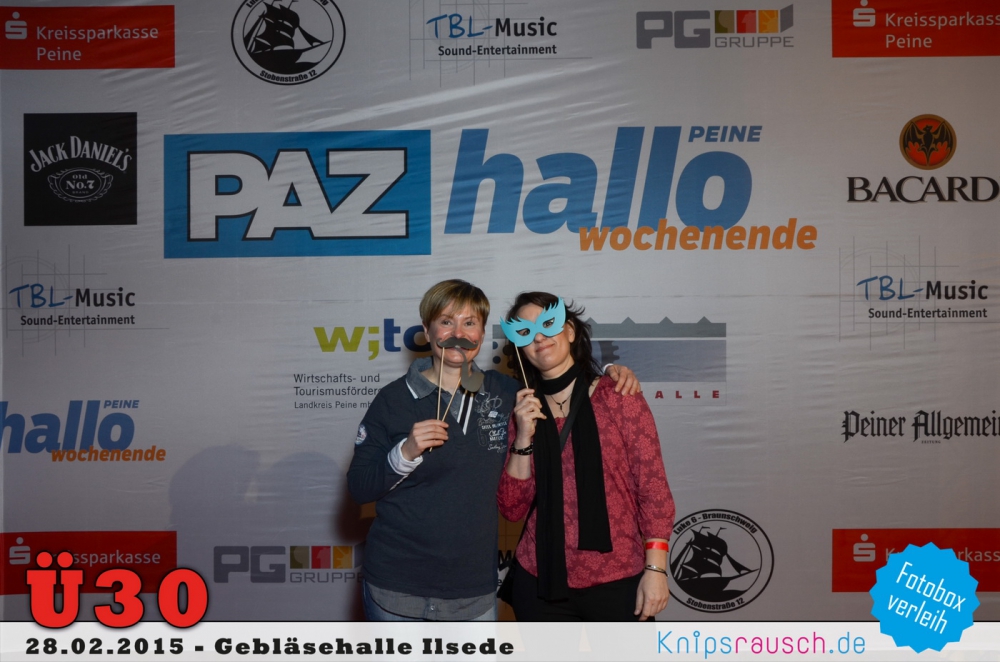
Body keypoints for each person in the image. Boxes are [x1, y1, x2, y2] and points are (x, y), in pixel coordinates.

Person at [346, 280, 640, 621]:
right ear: (426, 331)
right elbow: (359, 487)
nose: (458, 333)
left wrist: (609, 374)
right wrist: (405, 453)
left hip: (473, 589)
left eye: (469, 322)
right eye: (446, 321)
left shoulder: (507, 393)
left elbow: (560, 385)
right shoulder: (393, 400)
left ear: (482, 334)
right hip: (397, 585)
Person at [498, 292, 675, 621]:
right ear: (519, 347)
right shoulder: (523, 411)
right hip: (539, 580)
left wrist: (656, 569)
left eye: (548, 325)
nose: (539, 337)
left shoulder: (618, 394)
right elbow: (512, 508)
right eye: (525, 332)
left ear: (569, 331)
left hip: (618, 578)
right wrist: (523, 436)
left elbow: (653, 488)